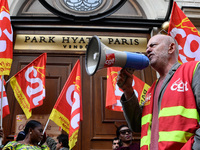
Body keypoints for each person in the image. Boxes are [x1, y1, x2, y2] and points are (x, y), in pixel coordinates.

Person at [117, 34, 200, 150]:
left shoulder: (193, 70)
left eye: (153, 45)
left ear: (171, 48)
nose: (147, 50)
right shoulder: (151, 89)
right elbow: (137, 125)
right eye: (146, 48)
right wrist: (128, 90)